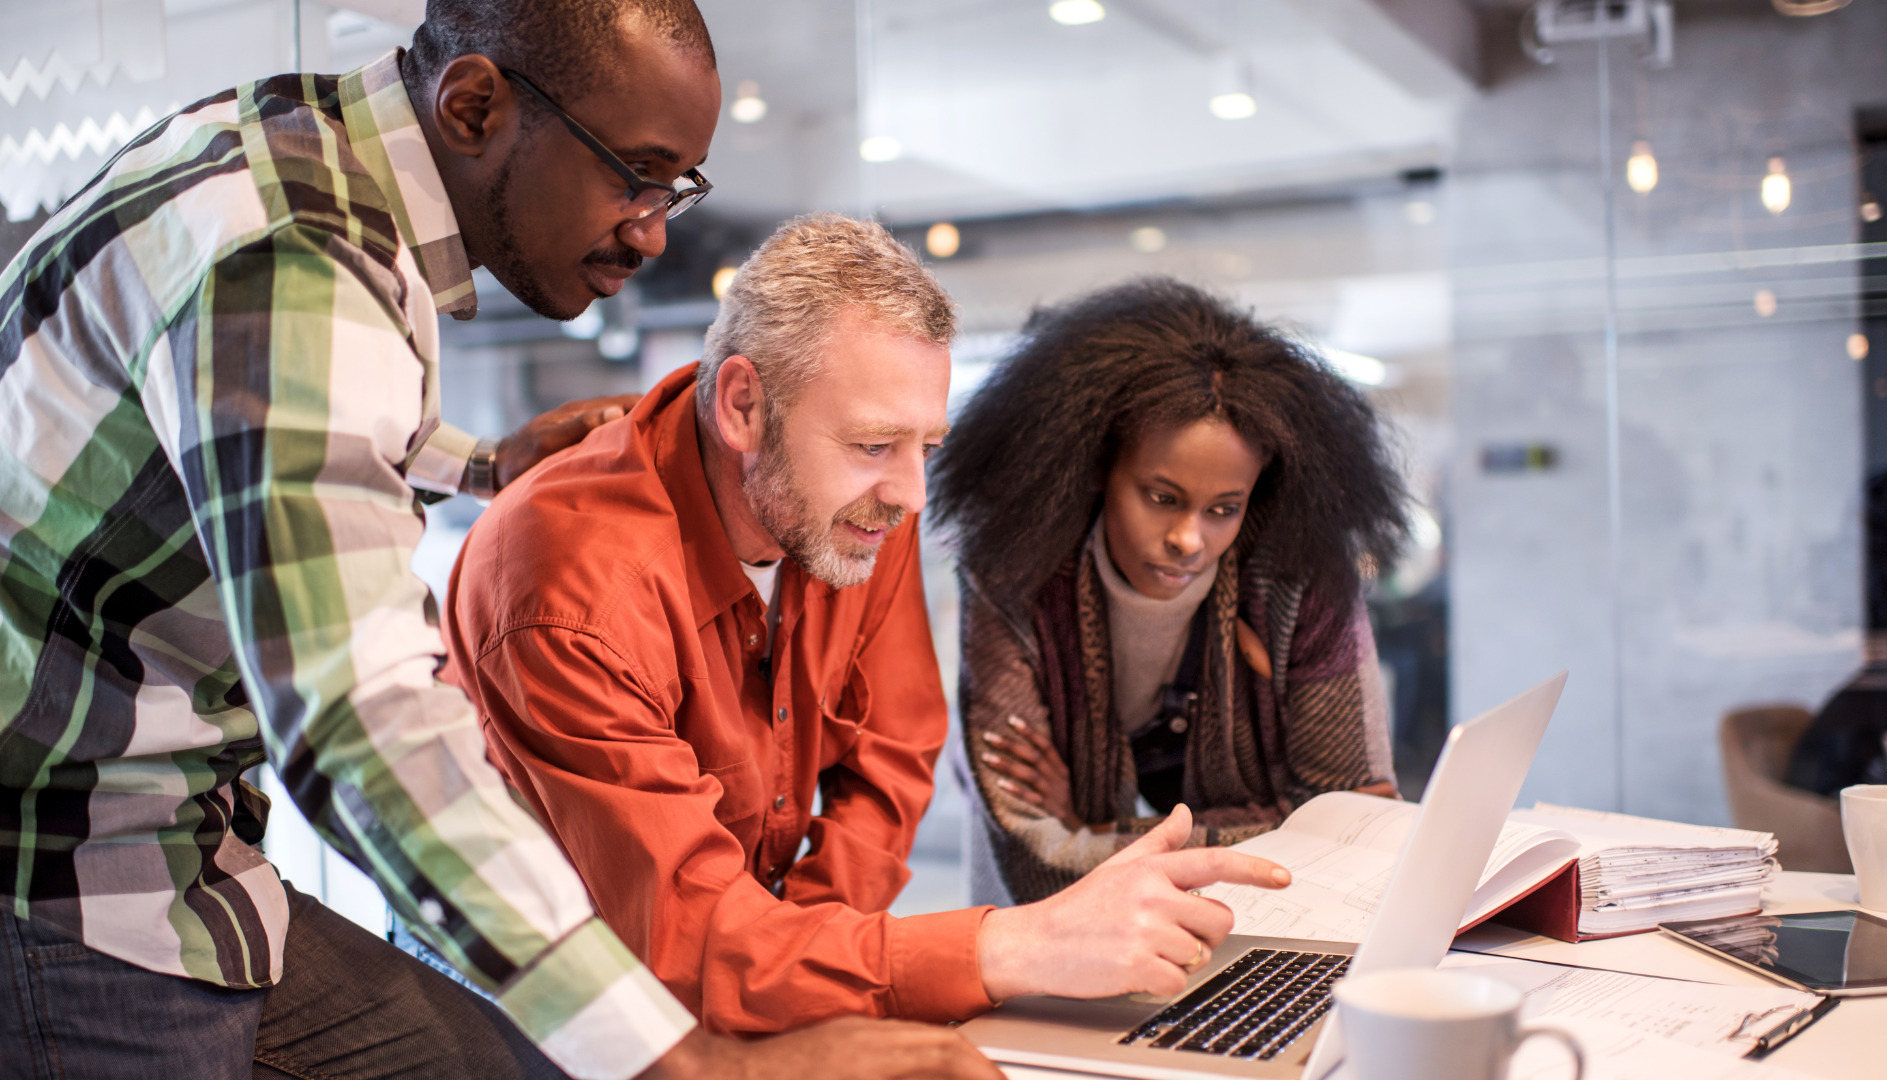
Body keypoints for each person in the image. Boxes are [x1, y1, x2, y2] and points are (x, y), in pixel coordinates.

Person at [0, 2, 1000, 1078]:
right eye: (636, 173)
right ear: (472, 106)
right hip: (72, 864)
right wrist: (702, 1063)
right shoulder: (298, 258)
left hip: (192, 846)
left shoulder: (293, 160)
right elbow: (361, 722)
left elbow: (235, 420)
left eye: (678, 188)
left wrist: (476, 463)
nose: (654, 229)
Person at [442, 214, 1292, 1035]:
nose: (913, 498)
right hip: (539, 1021)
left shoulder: (857, 504)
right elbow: (685, 937)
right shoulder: (568, 595)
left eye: (925, 447)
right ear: (742, 407)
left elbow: (893, 748)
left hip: (730, 975)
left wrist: (801, 964)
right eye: (875, 445)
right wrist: (1011, 945)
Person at [926, 279, 1409, 905]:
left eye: (1223, 509)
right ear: (1099, 465)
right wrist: (1284, 824)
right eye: (1162, 498)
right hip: (1054, 941)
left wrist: (1091, 831)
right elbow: (1034, 863)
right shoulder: (1014, 569)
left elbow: (1356, 836)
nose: (1189, 538)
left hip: (1265, 929)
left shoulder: (1301, 571)